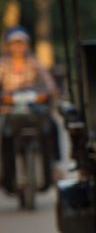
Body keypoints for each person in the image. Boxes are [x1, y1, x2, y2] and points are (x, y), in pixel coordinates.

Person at [0, 26, 59, 195]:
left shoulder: (34, 61)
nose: (18, 47)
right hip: (10, 109)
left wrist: (49, 92)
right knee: (3, 133)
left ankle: (54, 166)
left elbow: (49, 84)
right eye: (15, 43)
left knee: (51, 126)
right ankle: (5, 175)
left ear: (27, 44)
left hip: (33, 108)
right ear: (8, 46)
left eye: (21, 43)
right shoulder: (3, 64)